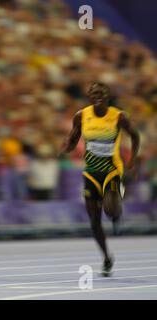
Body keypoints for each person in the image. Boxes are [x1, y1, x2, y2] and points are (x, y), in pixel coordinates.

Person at [59, 82, 140, 277]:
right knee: (94, 220)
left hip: (112, 170)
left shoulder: (118, 116)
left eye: (102, 94)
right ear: (89, 96)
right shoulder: (82, 116)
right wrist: (66, 148)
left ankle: (116, 210)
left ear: (108, 96)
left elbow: (135, 136)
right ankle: (106, 257)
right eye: (94, 94)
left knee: (109, 209)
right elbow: (73, 138)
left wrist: (132, 161)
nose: (98, 97)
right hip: (91, 173)